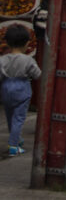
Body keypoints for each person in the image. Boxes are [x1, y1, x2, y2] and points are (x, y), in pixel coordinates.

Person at [0, 24, 41, 155]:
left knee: (10, 116)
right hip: (22, 87)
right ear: (26, 43)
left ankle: (16, 138)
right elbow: (37, 74)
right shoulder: (28, 60)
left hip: (6, 87)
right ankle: (13, 145)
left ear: (6, 42)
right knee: (19, 118)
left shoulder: (2, 59)